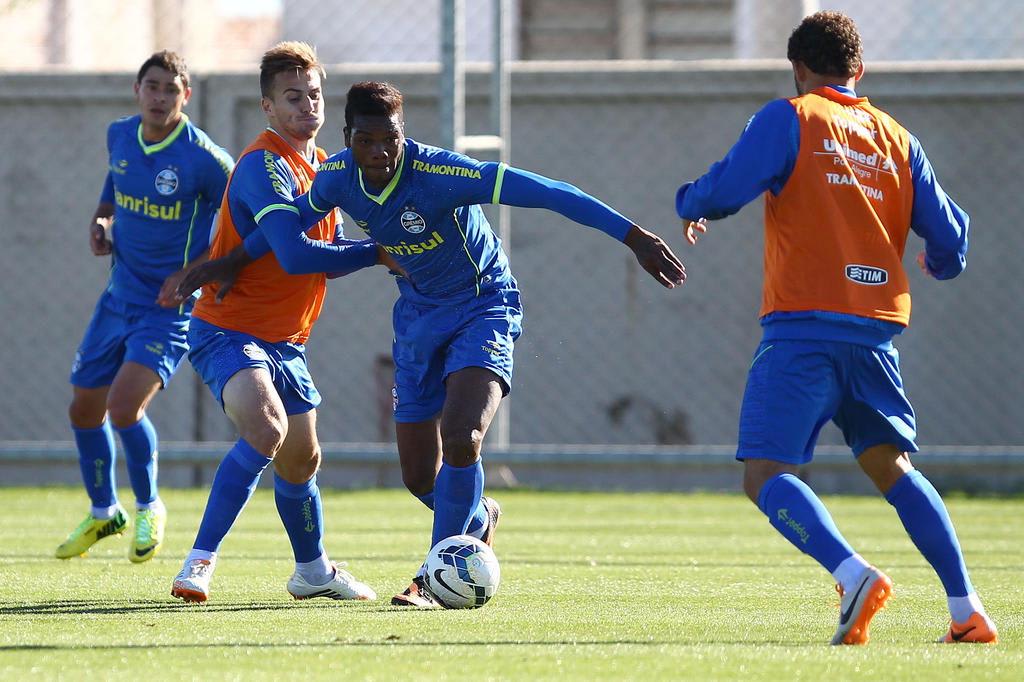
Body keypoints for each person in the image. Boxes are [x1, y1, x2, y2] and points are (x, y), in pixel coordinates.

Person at [179, 80, 686, 608]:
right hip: (419, 317)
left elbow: (549, 192)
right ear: (348, 137)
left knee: (463, 435)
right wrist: (226, 263)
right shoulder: (335, 178)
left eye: (390, 139)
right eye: (366, 140)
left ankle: (433, 578)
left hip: (482, 304)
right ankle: (477, 518)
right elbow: (286, 229)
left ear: (404, 133)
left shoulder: (442, 174)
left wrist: (633, 237)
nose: (379, 152)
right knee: (420, 475)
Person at [675, 12, 997, 645]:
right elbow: (953, 244)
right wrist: (930, 258)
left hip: (802, 334)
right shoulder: (899, 140)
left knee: (765, 475)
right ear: (860, 71)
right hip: (875, 339)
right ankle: (967, 609)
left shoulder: (791, 117)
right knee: (892, 466)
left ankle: (852, 575)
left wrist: (691, 202)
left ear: (798, 69)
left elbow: (723, 191)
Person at [169, 42, 387, 604]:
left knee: (302, 457)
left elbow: (325, 255)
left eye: (313, 94)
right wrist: (378, 252)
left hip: (287, 341)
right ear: (268, 108)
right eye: (292, 97)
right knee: (267, 429)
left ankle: (312, 571)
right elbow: (294, 255)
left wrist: (377, 246)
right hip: (227, 329)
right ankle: (199, 562)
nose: (307, 105)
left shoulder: (324, 168)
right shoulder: (264, 163)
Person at [57, 51, 233, 563]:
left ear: (186, 97)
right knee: (83, 408)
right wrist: (100, 218)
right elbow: (115, 184)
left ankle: (149, 505)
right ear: (137, 90)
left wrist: (192, 274)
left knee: (123, 407)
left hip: (169, 307)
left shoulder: (205, 159)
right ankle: (102, 511)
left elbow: (235, 222)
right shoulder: (119, 135)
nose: (160, 97)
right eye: (151, 86)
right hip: (117, 298)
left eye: (170, 89)